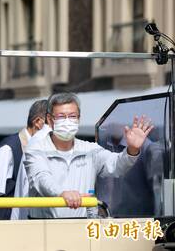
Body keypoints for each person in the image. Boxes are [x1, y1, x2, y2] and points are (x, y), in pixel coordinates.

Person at [24, 92, 153, 218]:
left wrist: (132, 149)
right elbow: (41, 178)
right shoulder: (36, 149)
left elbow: (116, 165)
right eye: (61, 116)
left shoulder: (90, 149)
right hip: (44, 227)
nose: (67, 121)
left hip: (82, 226)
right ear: (50, 120)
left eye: (72, 116)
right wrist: (62, 193)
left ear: (79, 119)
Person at [0, 100, 49, 220]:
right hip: (6, 228)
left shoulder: (44, 149)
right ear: (38, 122)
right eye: (53, 122)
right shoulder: (9, 149)